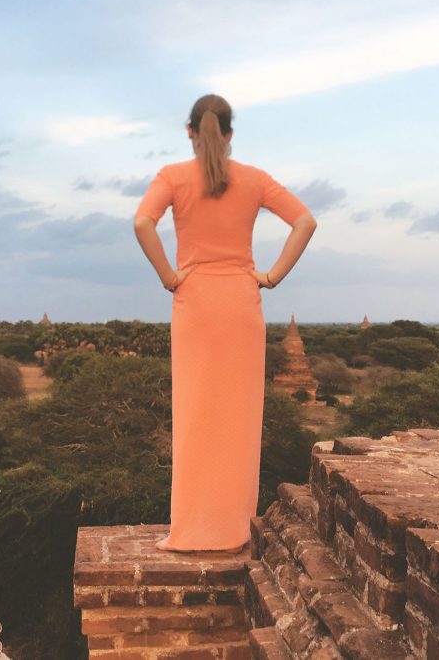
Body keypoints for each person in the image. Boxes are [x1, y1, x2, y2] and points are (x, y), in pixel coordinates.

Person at [133, 93, 317, 553]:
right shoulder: (254, 179)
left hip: (193, 301)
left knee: (195, 411)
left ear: (190, 132)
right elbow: (306, 222)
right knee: (238, 416)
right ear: (230, 134)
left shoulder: (173, 176)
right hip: (240, 300)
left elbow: (142, 223)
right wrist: (271, 277)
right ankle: (234, 530)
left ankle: (191, 530)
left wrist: (169, 277)